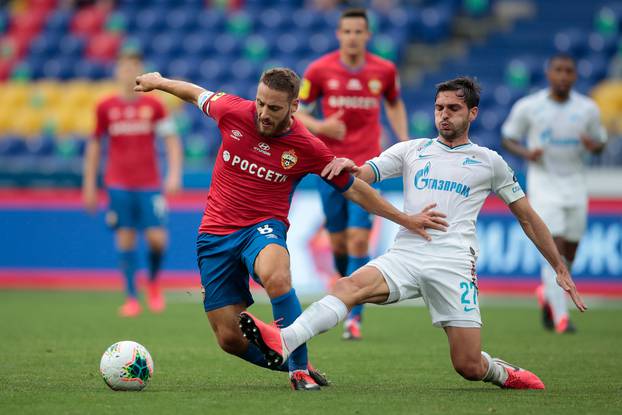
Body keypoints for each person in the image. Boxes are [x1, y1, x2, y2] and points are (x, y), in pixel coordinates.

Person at [239, 77, 588, 390]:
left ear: (473, 113)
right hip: (406, 255)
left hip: (453, 264)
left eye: (453, 108)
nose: (444, 115)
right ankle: (285, 341)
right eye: (439, 108)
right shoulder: (412, 151)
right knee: (348, 286)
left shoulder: (490, 162)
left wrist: (558, 266)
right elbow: (365, 174)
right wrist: (350, 169)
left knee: (468, 365)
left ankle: (500, 372)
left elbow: (527, 217)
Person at [133, 67, 447, 391]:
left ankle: (299, 371)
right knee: (228, 338)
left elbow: (352, 188)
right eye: (260, 103)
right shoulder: (232, 111)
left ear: (294, 107)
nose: (263, 114)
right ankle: (291, 361)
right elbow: (193, 92)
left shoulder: (307, 146)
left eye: (274, 108)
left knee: (277, 274)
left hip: (262, 228)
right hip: (215, 233)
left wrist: (406, 218)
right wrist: (159, 83)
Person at [295, 8, 409, 340]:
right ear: (339, 34)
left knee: (360, 238)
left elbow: (394, 103)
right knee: (339, 243)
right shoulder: (319, 70)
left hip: (366, 169)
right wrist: (323, 126)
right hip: (329, 166)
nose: (353, 37)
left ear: (367, 35)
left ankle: (353, 316)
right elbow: (299, 113)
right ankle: (347, 296)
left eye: (359, 31)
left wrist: (403, 140)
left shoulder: (384, 70)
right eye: (347, 31)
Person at [501, 54, 606, 334]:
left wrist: (592, 145)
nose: (563, 76)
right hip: (544, 184)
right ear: (549, 74)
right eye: (558, 70)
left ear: (575, 76)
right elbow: (507, 137)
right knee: (554, 248)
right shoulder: (530, 107)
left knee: (570, 249)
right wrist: (526, 153)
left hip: (575, 184)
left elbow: (601, 144)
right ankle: (561, 317)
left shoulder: (587, 109)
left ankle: (547, 292)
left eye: (568, 71)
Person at [82, 49, 183, 317]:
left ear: (139, 71)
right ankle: (131, 297)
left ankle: (152, 284)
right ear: (117, 71)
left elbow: (171, 140)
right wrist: (89, 185)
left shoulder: (154, 105)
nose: (127, 73)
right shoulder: (105, 107)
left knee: (157, 240)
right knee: (125, 238)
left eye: (133, 68)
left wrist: (173, 173)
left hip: (149, 183)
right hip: (118, 183)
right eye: (124, 68)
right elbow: (94, 146)